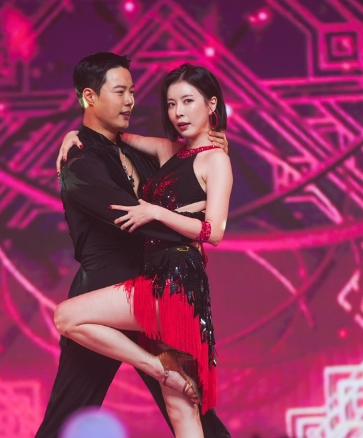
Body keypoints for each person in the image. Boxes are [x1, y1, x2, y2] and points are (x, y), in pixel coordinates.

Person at [35, 53, 231, 438]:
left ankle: (162, 370)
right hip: (107, 293)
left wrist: (180, 220)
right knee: (72, 410)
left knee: (189, 409)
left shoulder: (154, 155)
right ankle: (158, 368)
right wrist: (75, 134)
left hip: (161, 284)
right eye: (120, 91)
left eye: (132, 91)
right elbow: (130, 213)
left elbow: (199, 185)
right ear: (90, 97)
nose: (130, 101)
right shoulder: (82, 161)